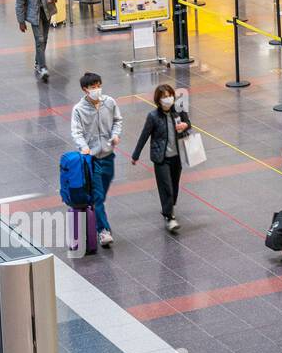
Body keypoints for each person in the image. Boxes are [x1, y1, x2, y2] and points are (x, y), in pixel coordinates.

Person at [129, 84, 192, 233]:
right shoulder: (153, 117)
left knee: (175, 185)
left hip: (176, 156)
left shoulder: (178, 112)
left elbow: (188, 124)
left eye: (170, 95)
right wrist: (135, 155)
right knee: (166, 187)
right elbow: (144, 135)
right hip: (161, 158)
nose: (168, 99)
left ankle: (169, 208)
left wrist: (185, 125)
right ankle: (169, 217)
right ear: (158, 100)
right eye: (164, 96)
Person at [70, 72, 123, 249]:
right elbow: (76, 132)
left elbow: (117, 120)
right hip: (92, 159)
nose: (96, 89)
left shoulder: (109, 102)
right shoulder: (79, 109)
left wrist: (115, 135)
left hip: (108, 155)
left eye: (98, 85)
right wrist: (83, 147)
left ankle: (94, 215)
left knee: (101, 194)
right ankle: (103, 231)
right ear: (85, 89)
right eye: (93, 87)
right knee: (98, 196)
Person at [15, 0, 60, 82]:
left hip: (48, 10)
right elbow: (20, 2)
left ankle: (37, 62)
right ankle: (42, 67)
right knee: (39, 40)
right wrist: (21, 21)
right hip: (34, 14)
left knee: (44, 38)